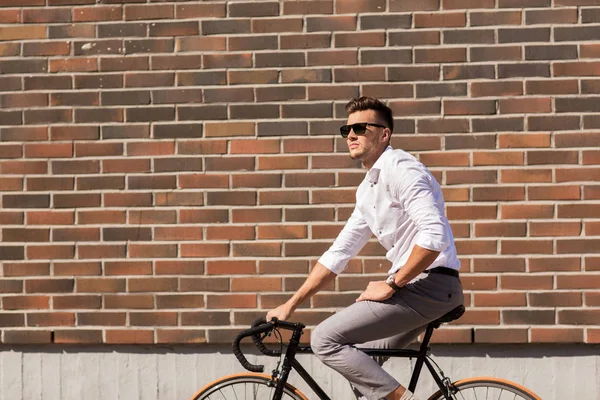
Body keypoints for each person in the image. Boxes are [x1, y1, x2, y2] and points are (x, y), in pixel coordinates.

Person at [266, 96, 464, 400]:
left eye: (360, 127)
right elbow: (339, 253)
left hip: (429, 285)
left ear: (384, 134)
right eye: (346, 130)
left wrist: (392, 282)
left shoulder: (402, 170)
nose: (351, 135)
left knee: (324, 338)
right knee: (364, 369)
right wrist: (289, 305)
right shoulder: (368, 189)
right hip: (423, 288)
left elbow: (434, 236)